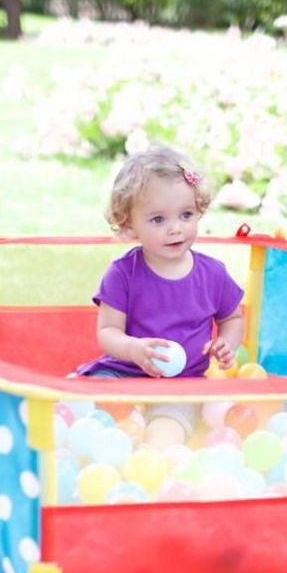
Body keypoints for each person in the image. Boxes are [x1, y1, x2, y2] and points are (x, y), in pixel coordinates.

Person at [74, 144, 245, 445]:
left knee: (167, 432)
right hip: (121, 374)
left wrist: (226, 343)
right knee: (83, 404)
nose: (175, 229)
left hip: (180, 386)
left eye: (186, 214)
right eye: (158, 220)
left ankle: (149, 453)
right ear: (129, 225)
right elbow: (108, 332)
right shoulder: (122, 273)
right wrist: (133, 349)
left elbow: (232, 316)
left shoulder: (213, 274)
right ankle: (112, 440)